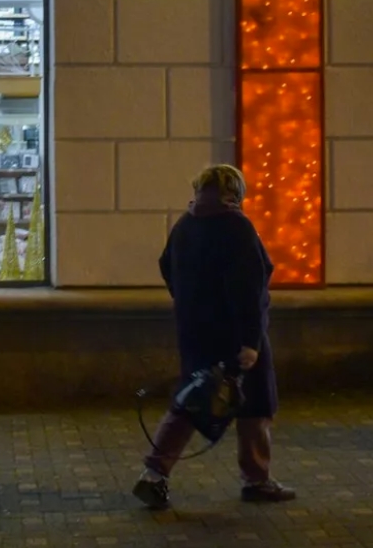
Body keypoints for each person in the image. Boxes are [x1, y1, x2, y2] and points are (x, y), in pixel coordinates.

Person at [132, 164, 295, 509]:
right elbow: (249, 288)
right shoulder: (237, 227)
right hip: (235, 335)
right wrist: (251, 341)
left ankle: (154, 474)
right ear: (234, 191)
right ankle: (257, 479)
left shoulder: (185, 224)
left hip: (195, 333)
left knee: (190, 401)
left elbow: (166, 265)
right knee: (254, 407)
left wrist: (187, 302)